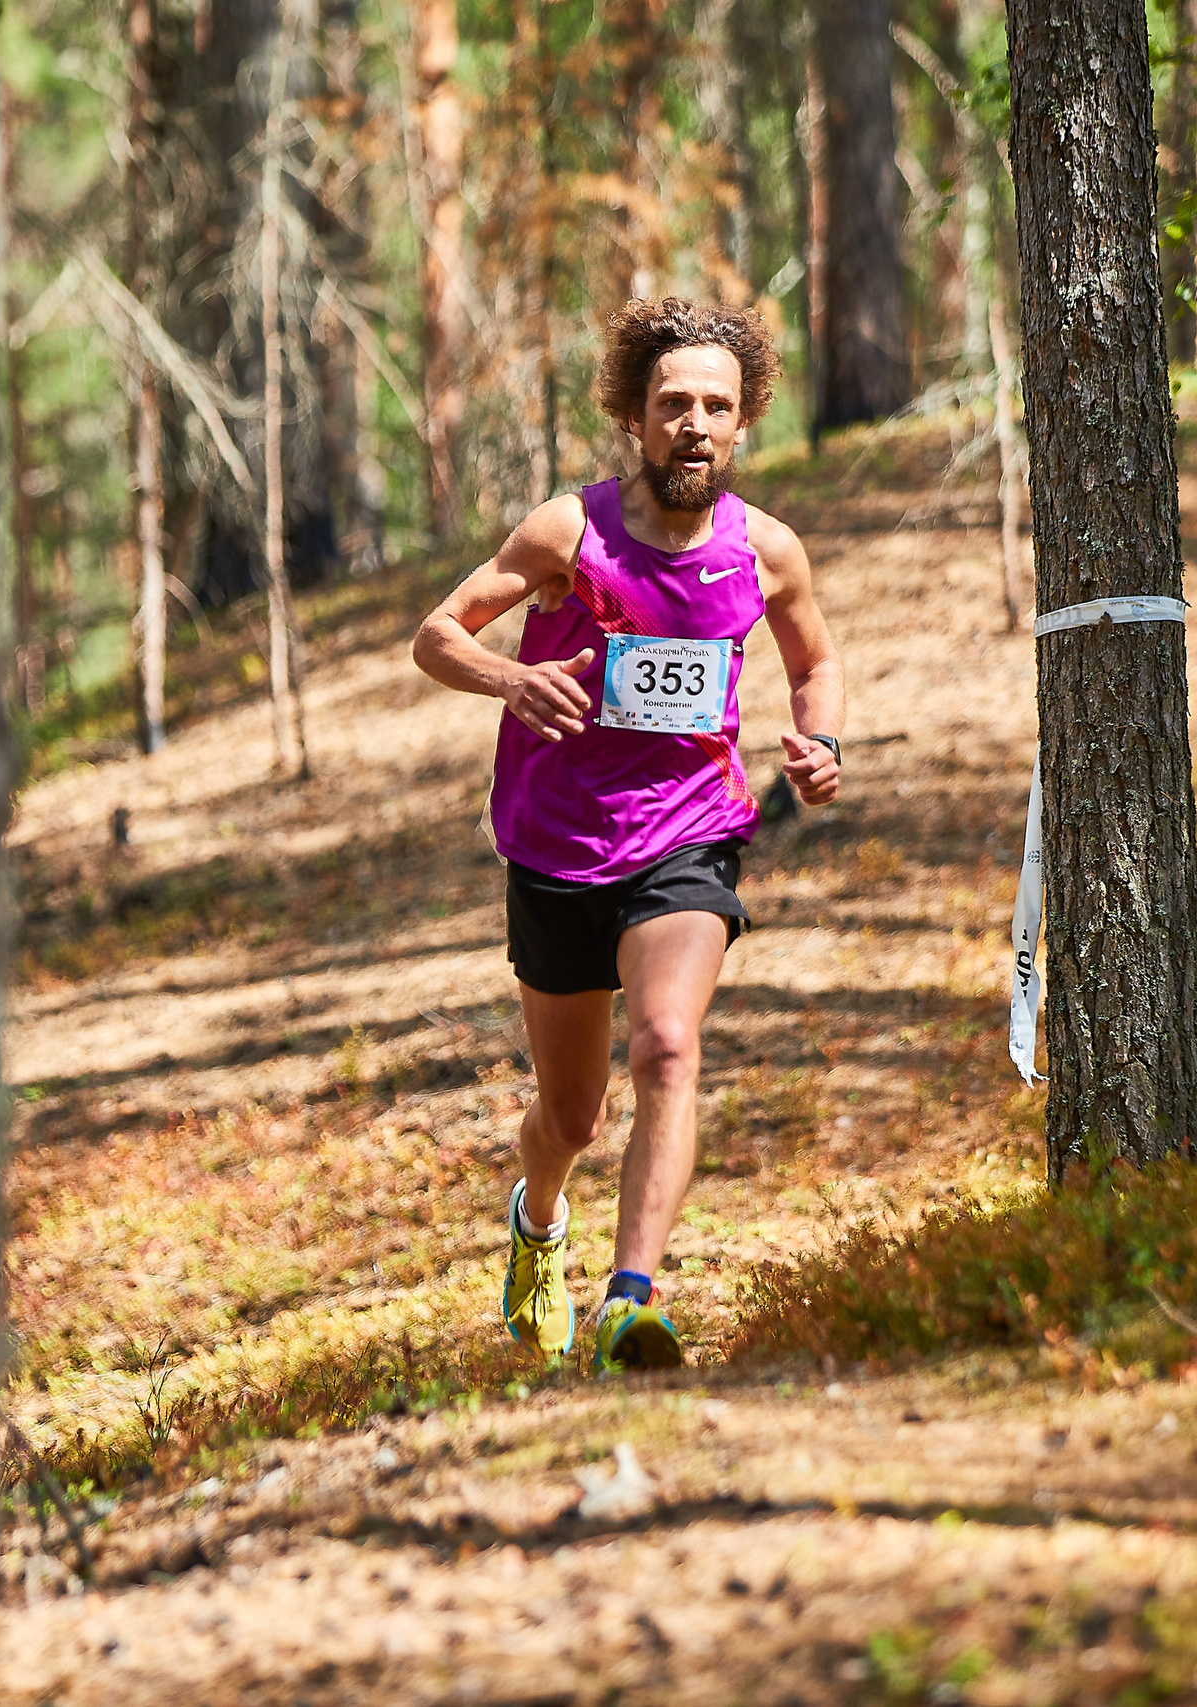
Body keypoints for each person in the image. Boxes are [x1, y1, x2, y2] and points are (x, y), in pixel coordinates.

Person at [411, 298, 845, 1372]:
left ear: (741, 425)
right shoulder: (570, 533)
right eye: (673, 404)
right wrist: (512, 679)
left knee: (667, 1045)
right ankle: (538, 1220)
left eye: (715, 407)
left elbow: (814, 661)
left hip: (688, 840)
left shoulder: (767, 550)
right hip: (557, 848)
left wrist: (819, 740)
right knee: (569, 1118)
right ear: (635, 419)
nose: (693, 424)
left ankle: (631, 1301)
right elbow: (434, 636)